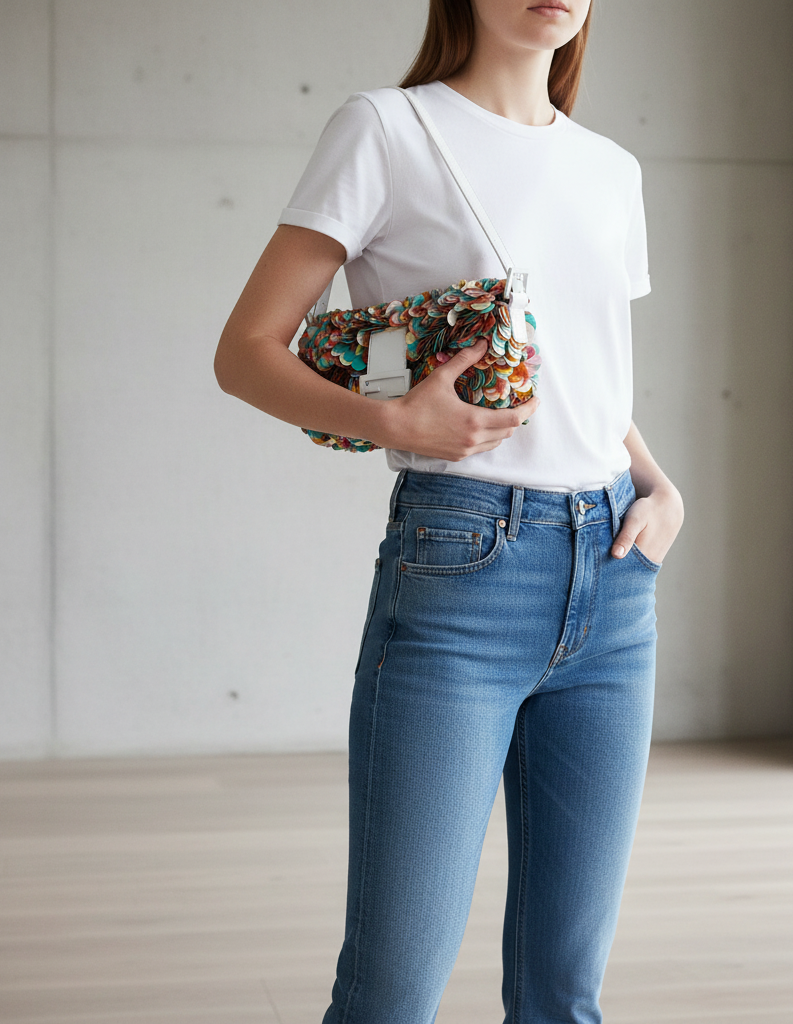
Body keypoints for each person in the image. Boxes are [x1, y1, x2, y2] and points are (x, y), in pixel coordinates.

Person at [214, 1, 684, 1020]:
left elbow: (586, 377)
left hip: (613, 571)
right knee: (392, 987)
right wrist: (398, 425)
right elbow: (245, 350)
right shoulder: (388, 128)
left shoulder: (612, 169)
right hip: (463, 564)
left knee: (565, 987)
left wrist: (658, 479)